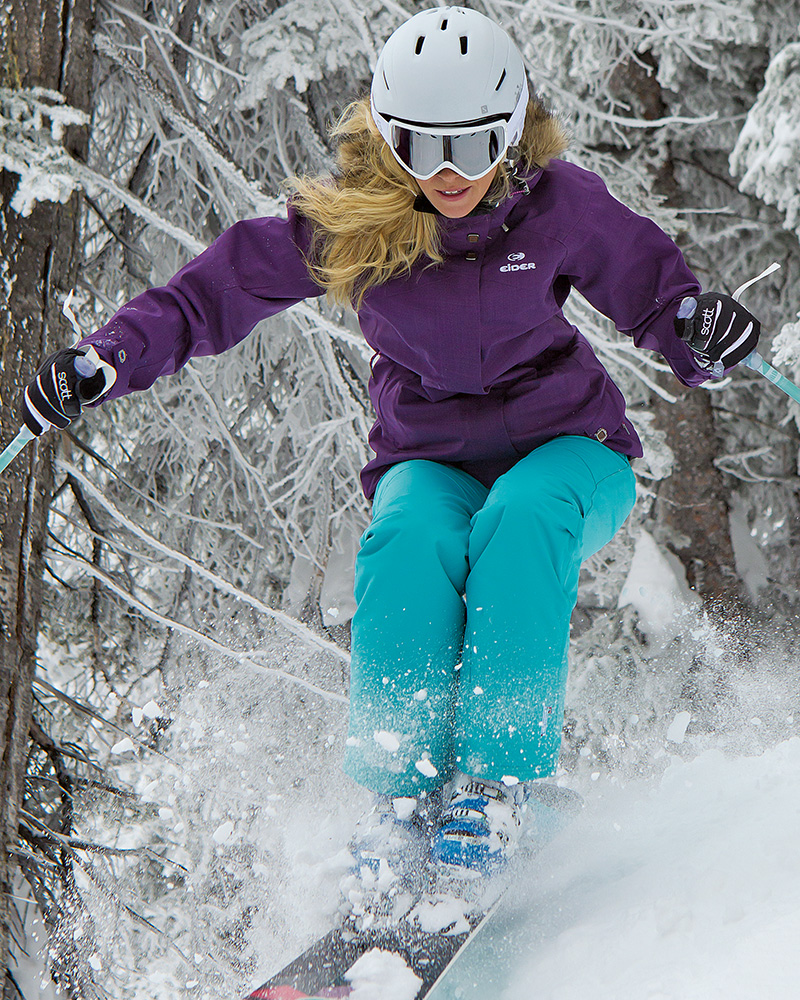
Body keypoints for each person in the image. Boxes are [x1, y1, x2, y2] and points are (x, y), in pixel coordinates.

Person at [22, 7, 760, 896]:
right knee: (406, 541)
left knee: (522, 517)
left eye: (473, 145)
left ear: (510, 131)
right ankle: (402, 794)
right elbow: (207, 297)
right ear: (386, 136)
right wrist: (108, 357)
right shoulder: (353, 222)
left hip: (572, 449)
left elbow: (660, 298)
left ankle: (493, 785)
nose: (448, 173)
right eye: (420, 146)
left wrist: (700, 329)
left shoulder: (555, 206)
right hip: (432, 456)